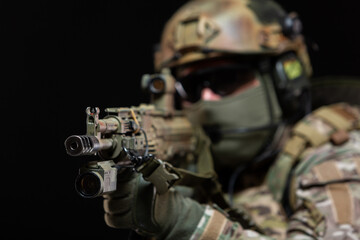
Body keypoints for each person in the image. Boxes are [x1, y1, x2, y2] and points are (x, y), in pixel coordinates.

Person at [102, 0, 360, 239]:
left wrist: (187, 221)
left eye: (226, 80)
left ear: (283, 81)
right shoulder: (204, 164)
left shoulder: (340, 156)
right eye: (191, 86)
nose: (207, 99)